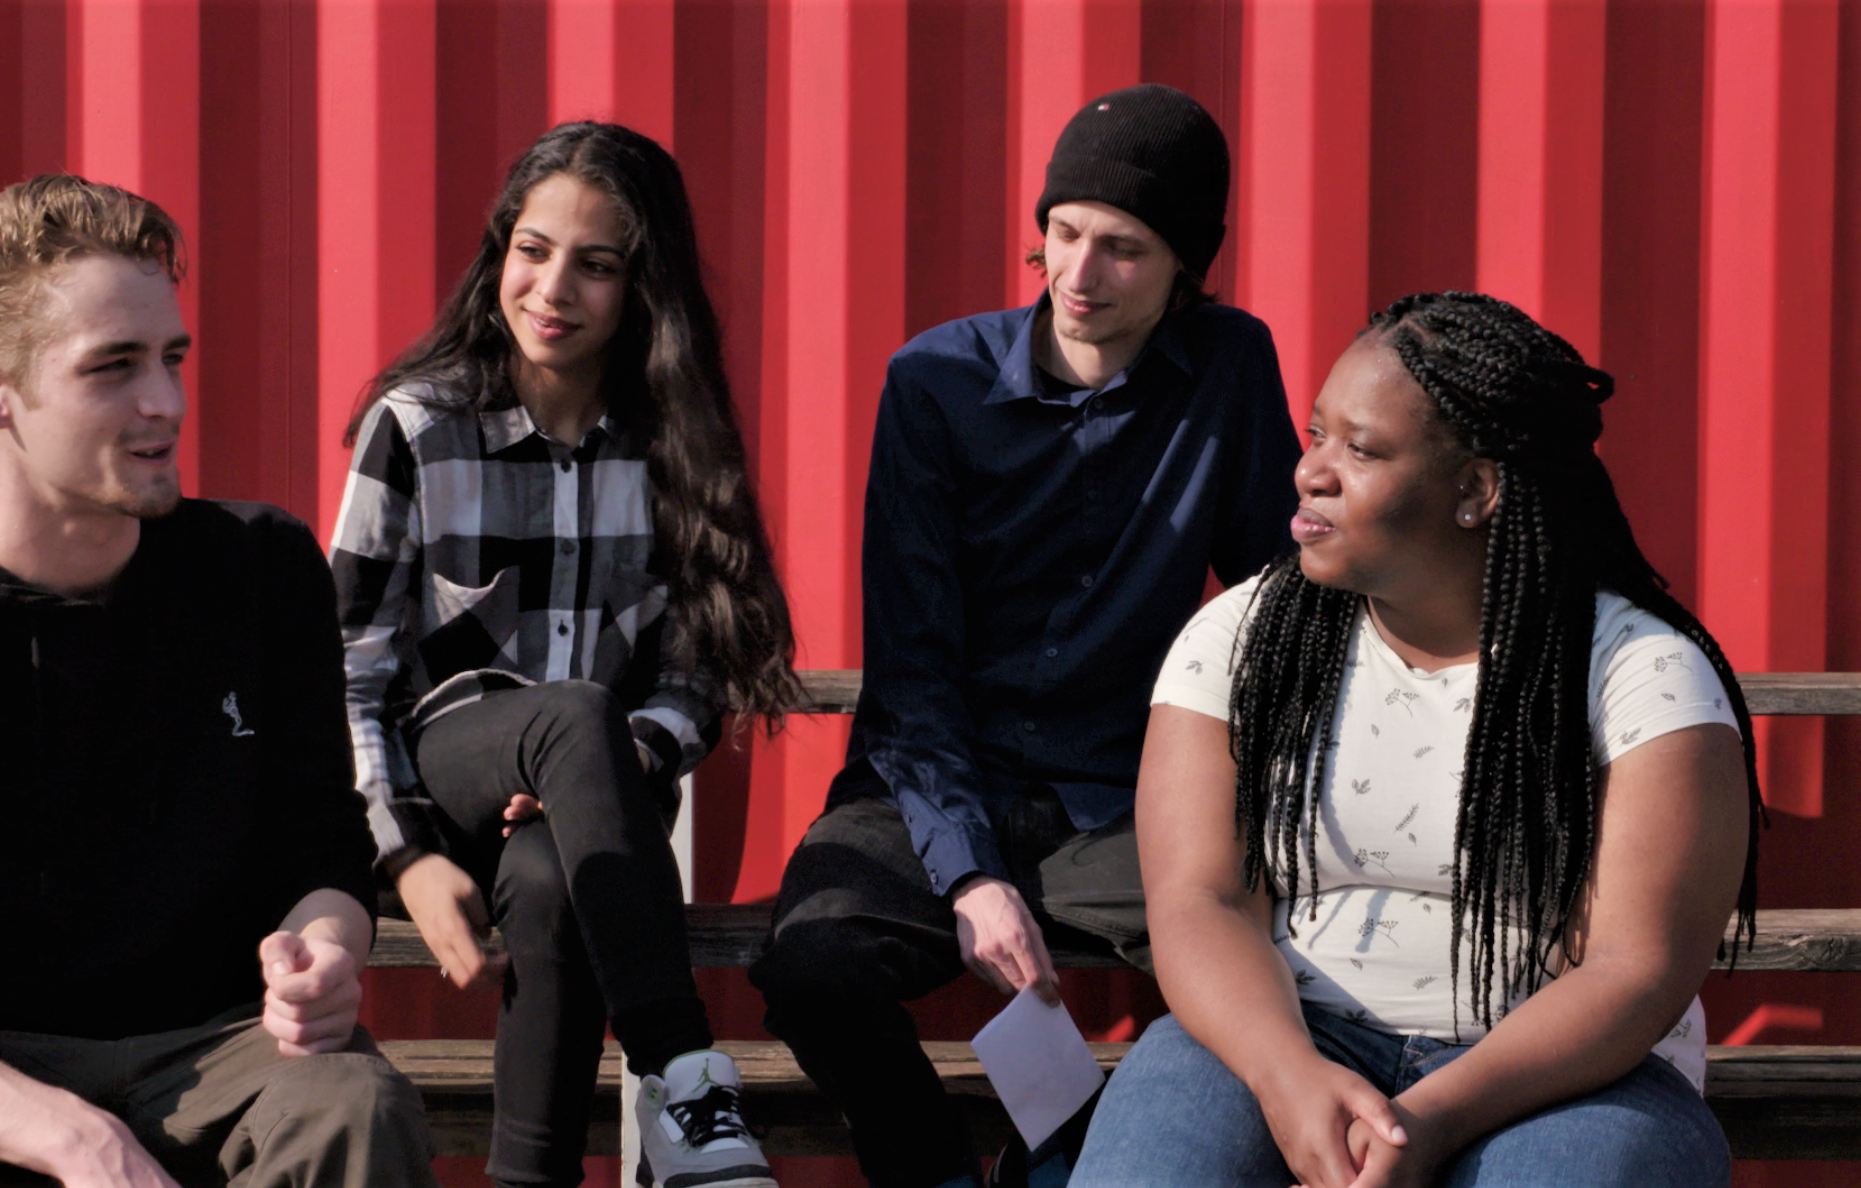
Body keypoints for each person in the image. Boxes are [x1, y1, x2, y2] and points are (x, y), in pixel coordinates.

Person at [0, 175, 437, 1187]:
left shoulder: (259, 571)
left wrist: (321, 948)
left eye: (171, 358)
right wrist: (71, 1137)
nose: (165, 402)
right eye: (113, 366)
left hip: (218, 1048)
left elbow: (319, 841)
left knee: (350, 1106)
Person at [1070, 292, 1759, 1188]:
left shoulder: (1638, 675)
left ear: (1475, 490)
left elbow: (1634, 970)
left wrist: (1423, 1123)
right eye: (1317, 435)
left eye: (1360, 450)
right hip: (1282, 1038)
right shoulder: (1243, 638)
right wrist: (1289, 1080)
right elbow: (1201, 899)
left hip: (1566, 1079)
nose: (1310, 472)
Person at [747, 85, 1302, 1188]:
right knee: (809, 963)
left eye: (1123, 249)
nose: (1079, 274)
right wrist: (968, 875)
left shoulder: (1230, 365)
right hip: (933, 779)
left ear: (1186, 268)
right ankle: (942, 1172)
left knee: (1271, 962)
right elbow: (912, 668)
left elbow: (1282, 600)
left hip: (1121, 792)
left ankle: (1076, 1151)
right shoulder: (935, 383)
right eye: (1063, 232)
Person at [329, 122, 805, 1188]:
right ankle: (682, 1070)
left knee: (554, 871)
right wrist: (406, 855)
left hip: (594, 813)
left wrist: (623, 760)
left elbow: (697, 674)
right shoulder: (420, 426)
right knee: (575, 709)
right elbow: (348, 672)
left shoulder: (673, 442)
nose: (552, 290)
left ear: (643, 288)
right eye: (532, 251)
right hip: (448, 779)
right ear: (499, 251)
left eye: (595, 265)